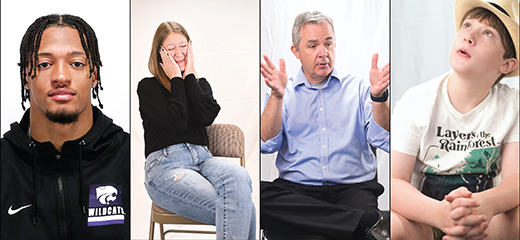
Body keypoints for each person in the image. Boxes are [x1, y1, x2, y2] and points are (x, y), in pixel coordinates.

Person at [391, 0, 519, 239]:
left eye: (488, 33)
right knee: (395, 226)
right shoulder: (417, 101)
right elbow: (395, 182)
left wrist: (483, 206)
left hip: (483, 220)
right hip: (425, 220)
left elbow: (515, 181)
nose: (469, 37)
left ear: (507, 64)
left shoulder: (512, 105)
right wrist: (441, 214)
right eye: (467, 25)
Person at [260, 11, 390, 240]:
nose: (323, 53)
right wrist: (277, 97)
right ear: (296, 52)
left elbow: (384, 139)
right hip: (297, 192)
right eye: (312, 46)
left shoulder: (359, 88)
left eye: (328, 43)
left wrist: (378, 97)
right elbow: (267, 144)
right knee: (254, 193)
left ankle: (327, 224)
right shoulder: (283, 93)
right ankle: (363, 223)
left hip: (352, 190)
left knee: (290, 228)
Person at [1, 14, 130, 239]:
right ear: (25, 77)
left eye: (77, 64)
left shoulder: (130, 157)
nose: (61, 76)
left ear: (94, 75)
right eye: (44, 64)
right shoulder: (4, 163)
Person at [137, 21, 256, 240]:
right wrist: (175, 79)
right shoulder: (147, 87)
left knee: (239, 175)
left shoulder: (200, 85)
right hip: (165, 167)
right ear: (160, 53)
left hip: (204, 159)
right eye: (171, 49)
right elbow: (178, 121)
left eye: (183, 46)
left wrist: (189, 76)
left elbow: (207, 115)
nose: (179, 53)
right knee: (243, 208)